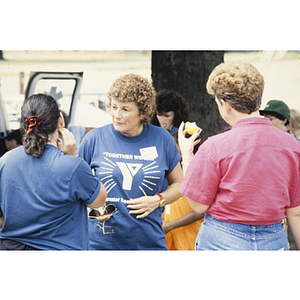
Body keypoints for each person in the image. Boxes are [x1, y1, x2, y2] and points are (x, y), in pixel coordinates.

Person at [178, 62, 300, 251]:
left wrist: (186, 155)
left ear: (224, 105)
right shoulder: (292, 145)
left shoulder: (214, 146)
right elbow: (295, 212)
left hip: (222, 239)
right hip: (274, 238)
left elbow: (198, 205)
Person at [78, 74, 183, 250]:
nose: (116, 115)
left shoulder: (162, 139)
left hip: (148, 243)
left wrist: (158, 200)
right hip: (100, 244)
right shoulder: (94, 139)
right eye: (113, 107)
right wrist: (92, 210)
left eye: (125, 110)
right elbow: (75, 187)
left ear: (143, 112)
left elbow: (180, 184)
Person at [0, 93, 107, 250]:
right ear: (61, 120)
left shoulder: (4, 161)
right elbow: (99, 200)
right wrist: (73, 157)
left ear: (24, 125)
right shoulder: (73, 166)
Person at [163, 131, 204, 250]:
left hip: (190, 240)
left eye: (172, 145)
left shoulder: (196, 172)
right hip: (170, 240)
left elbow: (200, 212)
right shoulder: (170, 170)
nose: (167, 149)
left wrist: (170, 225)